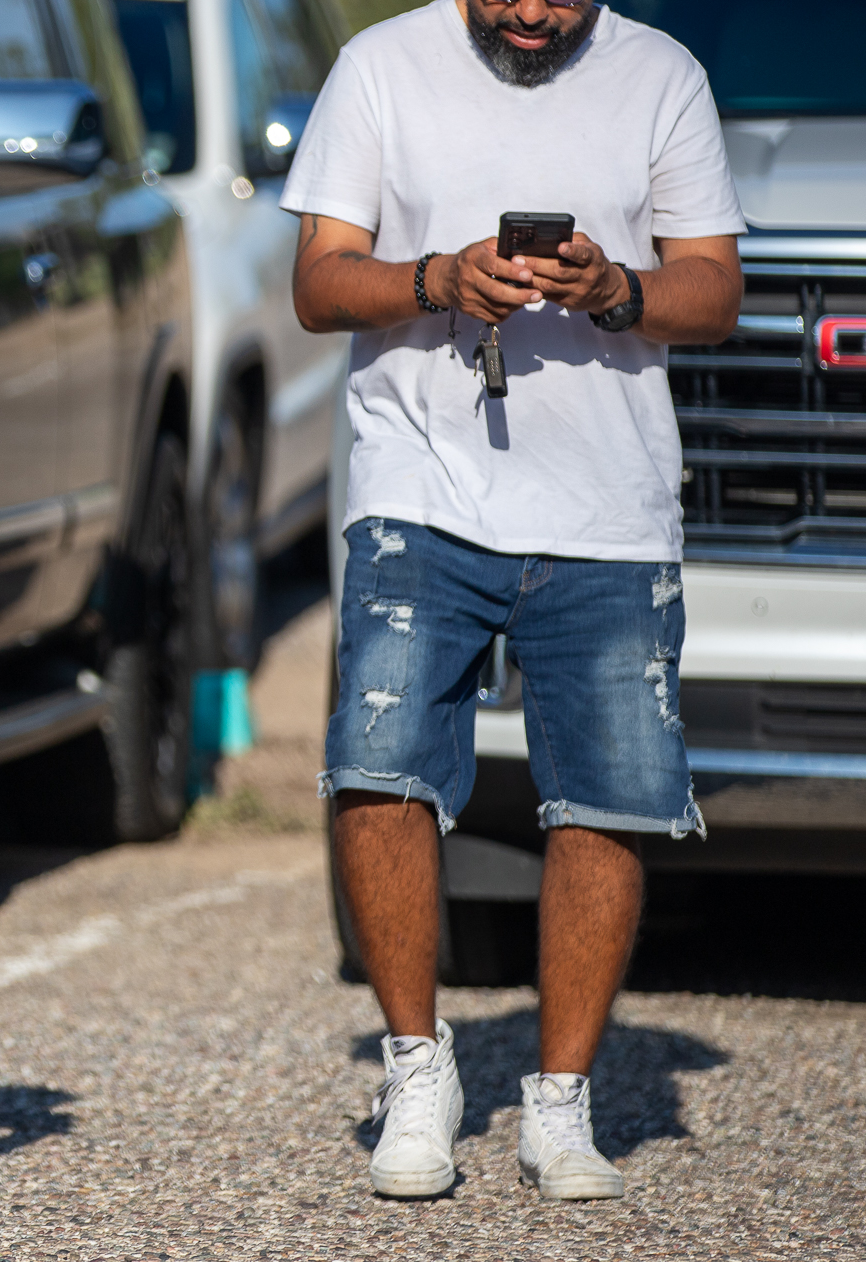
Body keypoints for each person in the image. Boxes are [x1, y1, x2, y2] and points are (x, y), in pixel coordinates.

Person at [283, 0, 743, 1199]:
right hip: (417, 486)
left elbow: (714, 293)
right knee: (378, 764)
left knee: (605, 796)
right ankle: (415, 1066)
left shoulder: (661, 73)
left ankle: (559, 1100)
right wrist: (439, 277)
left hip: (606, 504)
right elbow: (317, 283)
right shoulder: (377, 67)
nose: (531, 13)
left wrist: (613, 291)